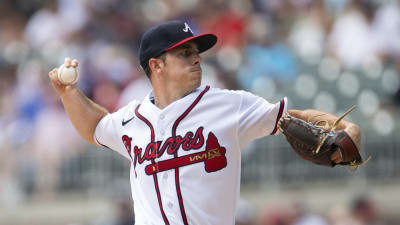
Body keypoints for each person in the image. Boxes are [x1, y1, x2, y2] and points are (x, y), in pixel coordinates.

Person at [48, 20, 360, 225]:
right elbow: (95, 128)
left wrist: (346, 129)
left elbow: (296, 117)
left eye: (196, 52)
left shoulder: (230, 105)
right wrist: (68, 93)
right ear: (156, 65)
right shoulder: (131, 119)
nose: (197, 59)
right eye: (184, 53)